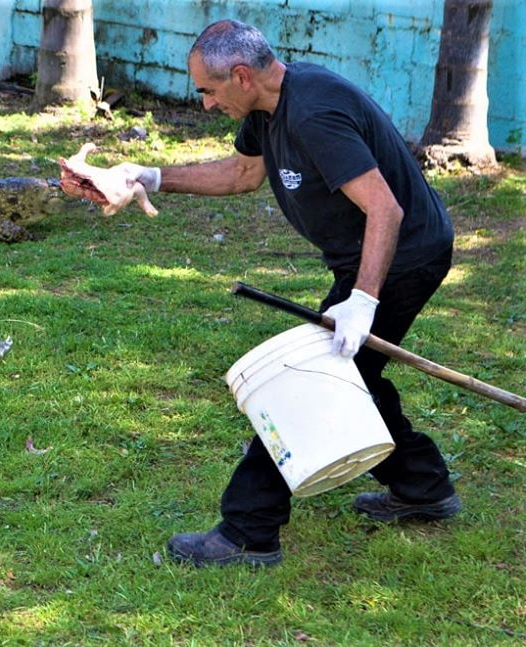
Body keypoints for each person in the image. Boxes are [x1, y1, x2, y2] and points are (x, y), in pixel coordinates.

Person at [92, 19, 461, 566]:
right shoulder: (269, 109)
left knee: (309, 385)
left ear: (241, 76)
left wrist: (363, 300)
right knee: (350, 370)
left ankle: (247, 531)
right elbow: (242, 174)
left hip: (405, 256)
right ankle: (423, 484)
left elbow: (385, 208)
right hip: (368, 257)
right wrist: (150, 176)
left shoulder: (314, 114)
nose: (208, 105)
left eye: (210, 91)